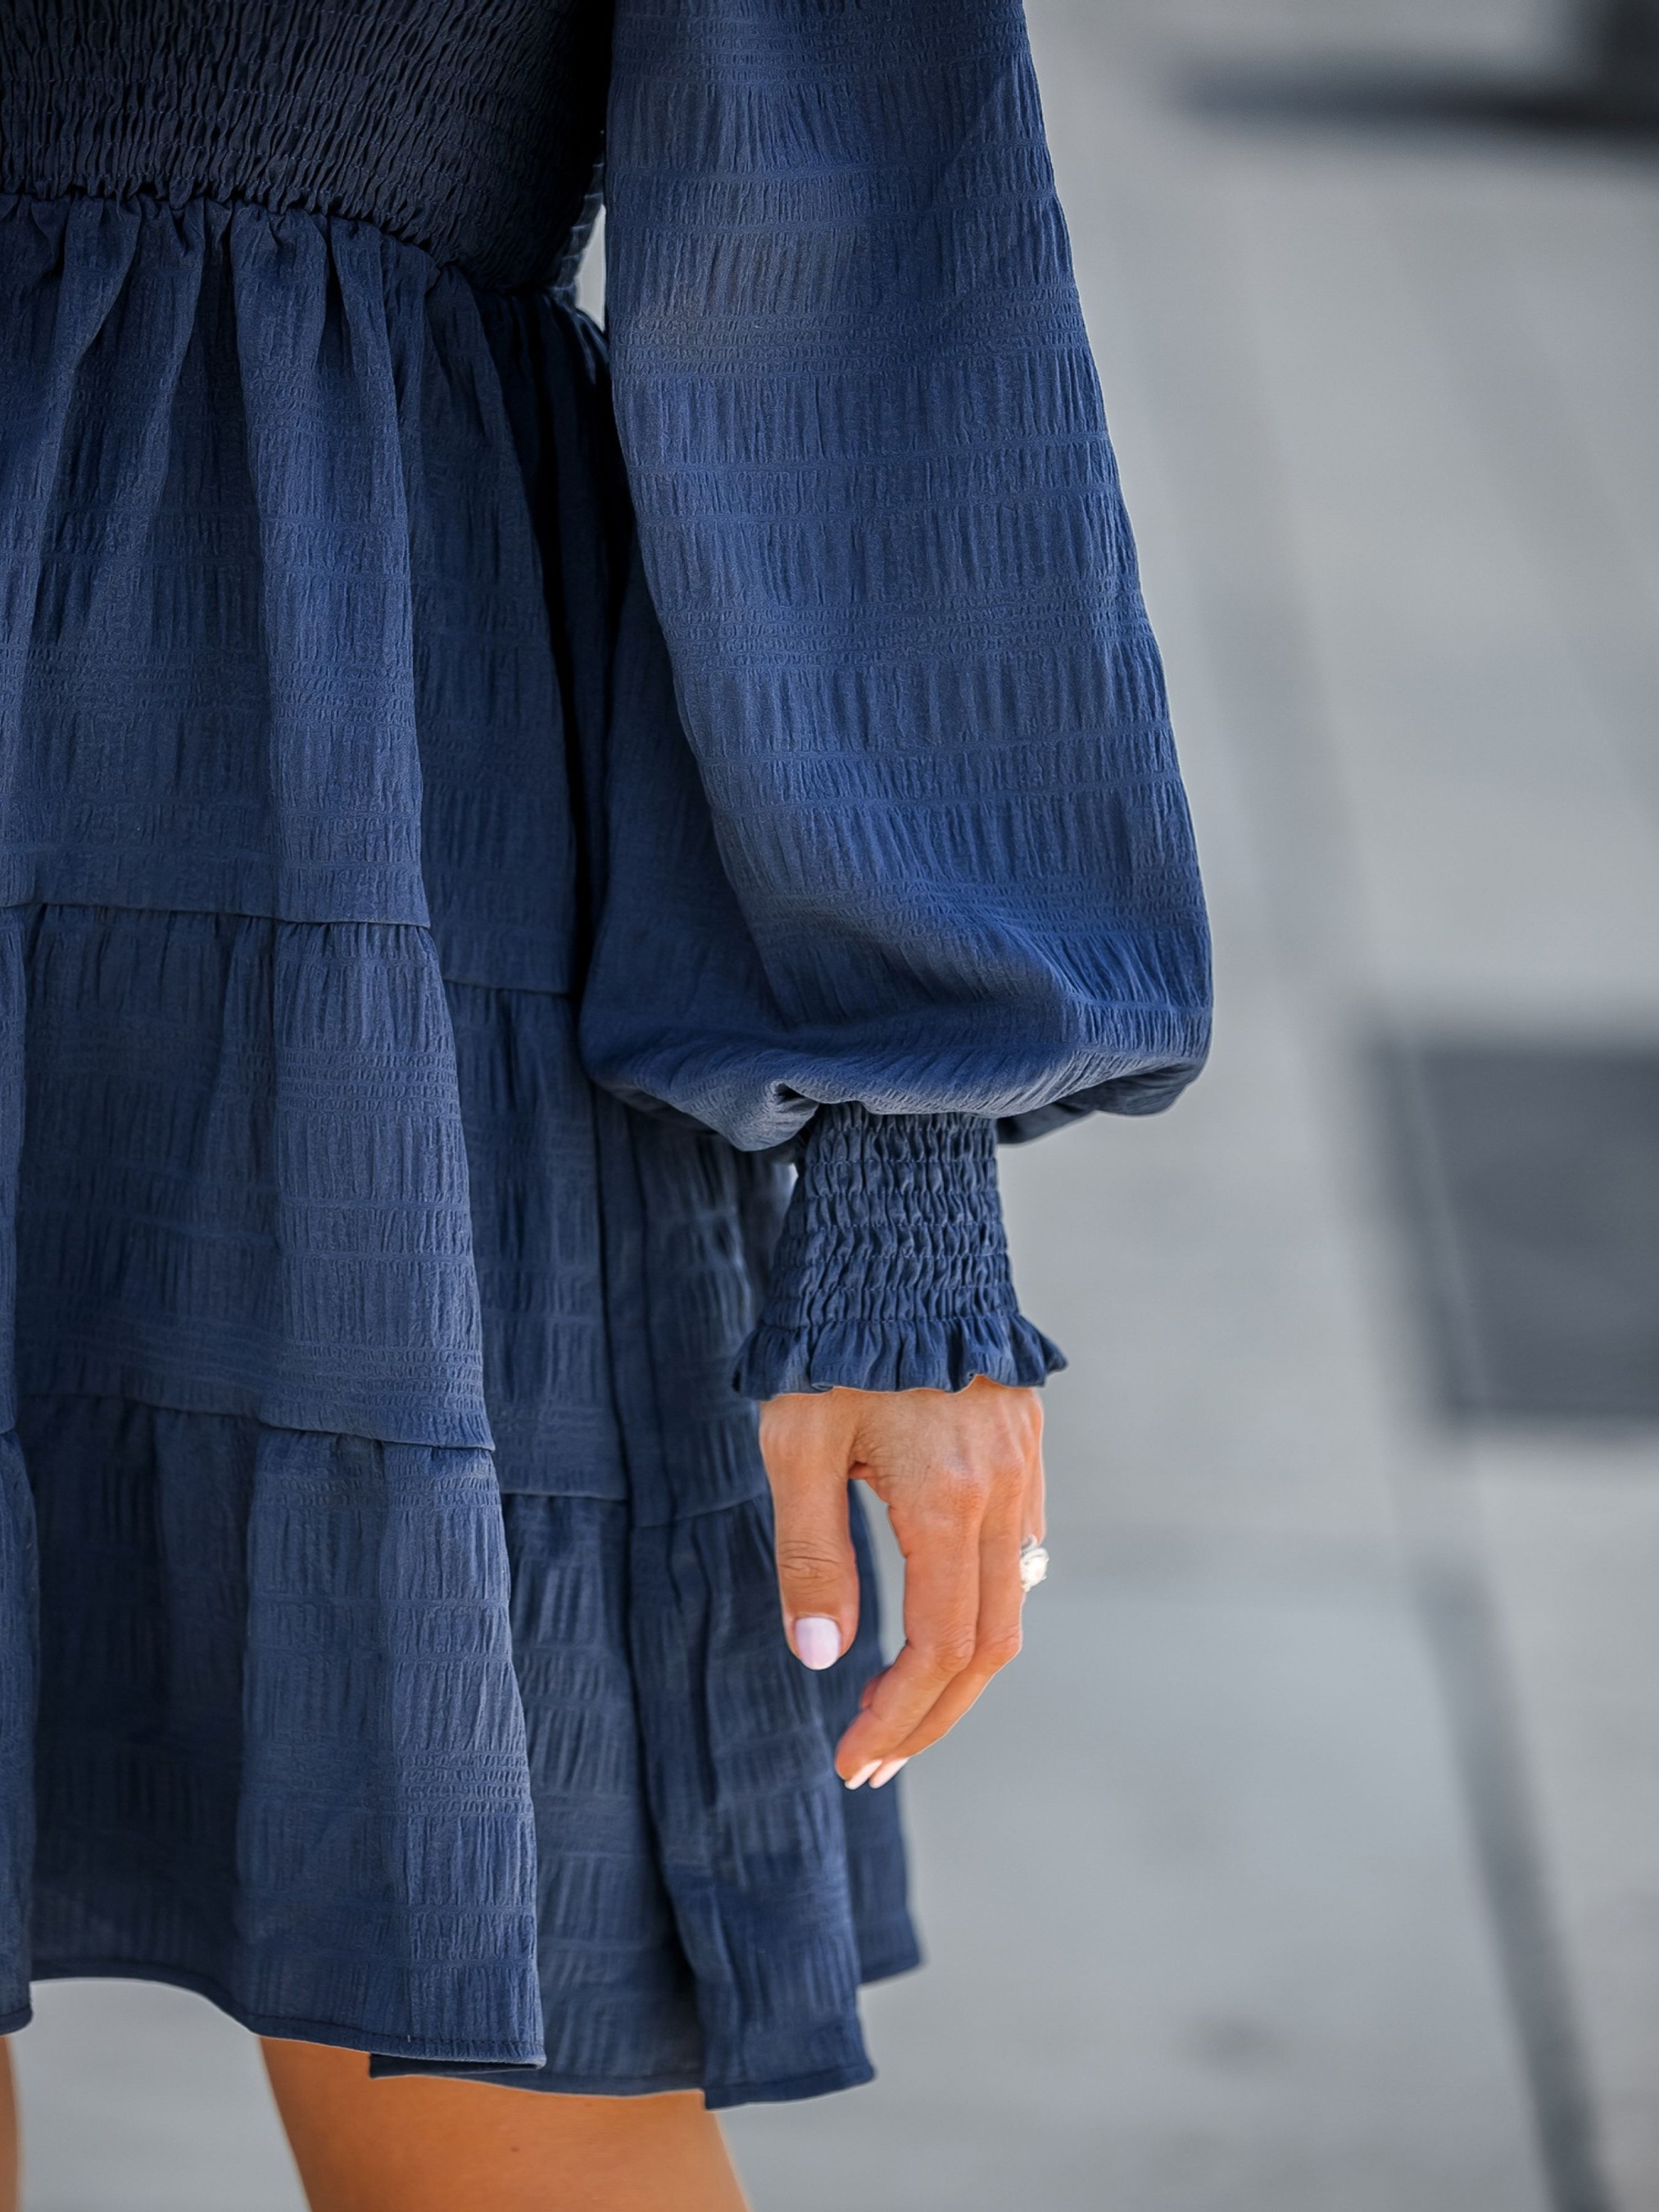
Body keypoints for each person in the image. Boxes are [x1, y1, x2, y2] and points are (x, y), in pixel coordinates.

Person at [0, 0, 1210, 2204]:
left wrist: (899, 1176)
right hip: (342, 767)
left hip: (360, 815)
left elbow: (863, 270)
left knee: (498, 2040)